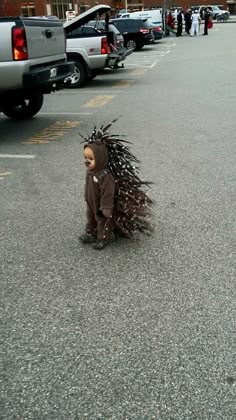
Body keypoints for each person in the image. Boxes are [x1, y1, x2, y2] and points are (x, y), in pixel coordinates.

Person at [79, 120, 153, 250]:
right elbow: (88, 187)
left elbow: (108, 192)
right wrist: (87, 198)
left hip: (103, 205)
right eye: (86, 158)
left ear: (101, 158)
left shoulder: (105, 175)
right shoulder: (91, 172)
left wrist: (106, 207)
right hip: (92, 202)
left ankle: (103, 238)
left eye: (91, 159)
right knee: (91, 217)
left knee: (103, 220)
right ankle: (91, 232)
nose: (87, 162)